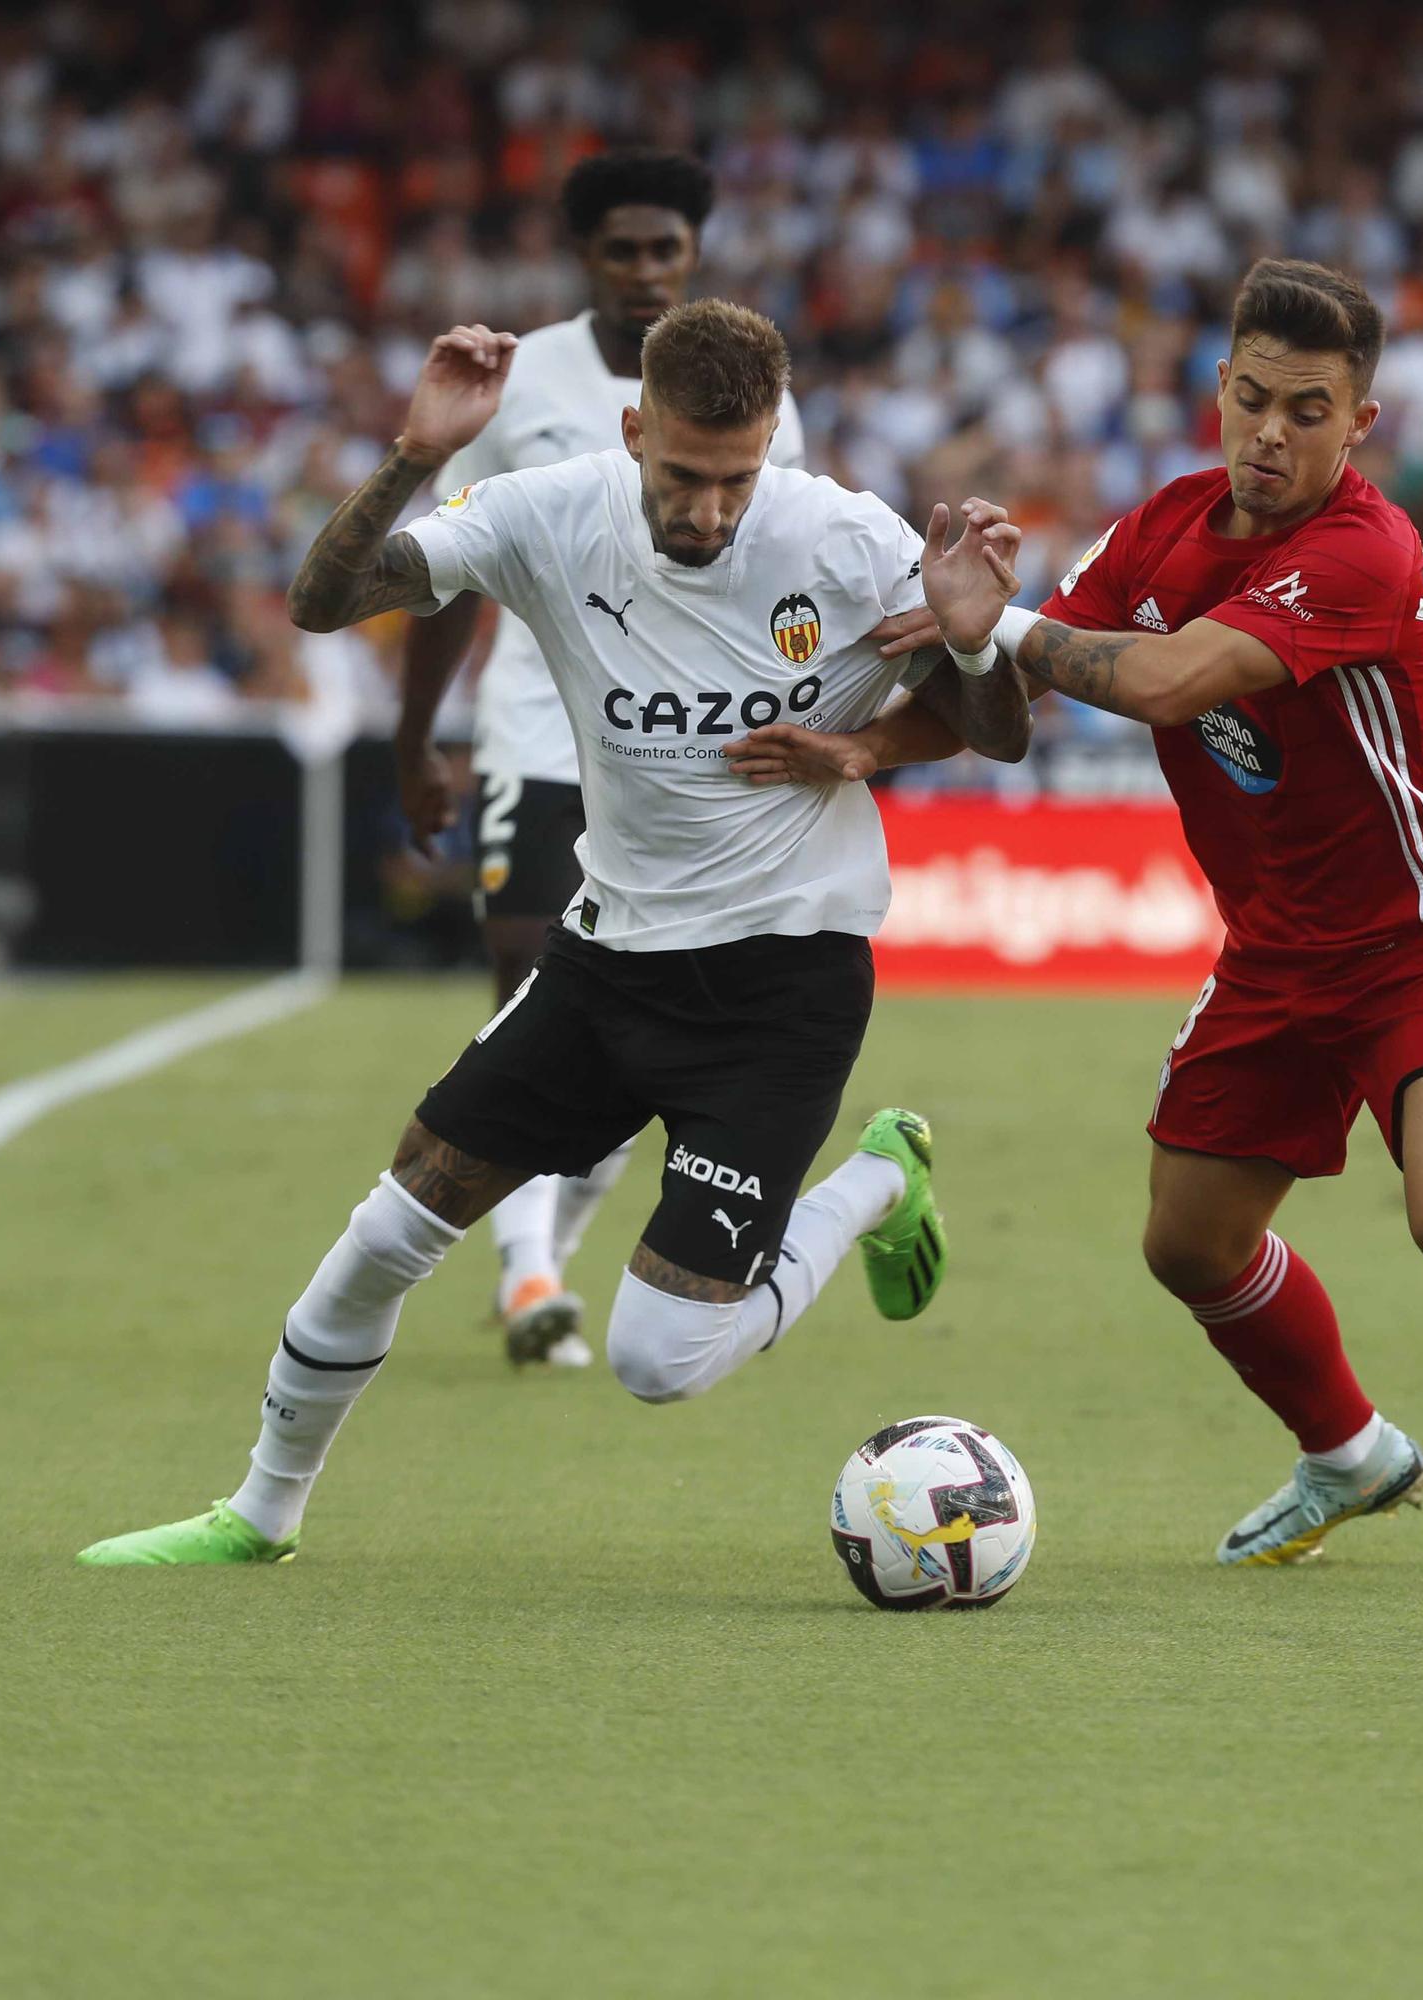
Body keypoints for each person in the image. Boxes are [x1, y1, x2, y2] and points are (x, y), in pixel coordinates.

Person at [75, 300, 1028, 1566]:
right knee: (388, 1228)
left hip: (780, 987)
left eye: (734, 478)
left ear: (769, 450)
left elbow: (996, 728)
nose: (706, 512)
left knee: (654, 1358)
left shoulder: (846, 537)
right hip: (602, 965)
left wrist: (948, 658)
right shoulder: (549, 509)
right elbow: (324, 602)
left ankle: (873, 1182)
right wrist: (416, 456)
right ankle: (260, 1512)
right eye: (682, 474)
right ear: (635, 428)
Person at [781, 258, 1423, 1597]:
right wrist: (870, 746)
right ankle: (1350, 1452)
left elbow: (1168, 679)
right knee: (1188, 1243)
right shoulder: (1162, 526)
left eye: (1308, 411)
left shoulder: (1369, 547)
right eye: (1251, 398)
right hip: (1275, 951)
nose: (1270, 433)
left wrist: (994, 623)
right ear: (1218, 389)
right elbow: (1016, 688)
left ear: (1357, 424)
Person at [393, 149, 936, 1367]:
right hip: (540, 727)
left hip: (686, 760)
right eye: (621, 251)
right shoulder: (514, 377)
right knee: (530, 977)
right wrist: (417, 734)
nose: (644, 271)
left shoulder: (747, 391)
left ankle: (550, 1254)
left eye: (665, 251)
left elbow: (764, 563)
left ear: (691, 256)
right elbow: (447, 576)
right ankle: (530, 1268)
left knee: (627, 1020)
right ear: (583, 259)